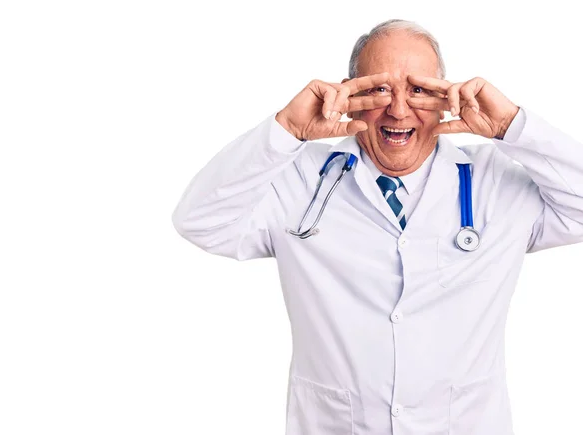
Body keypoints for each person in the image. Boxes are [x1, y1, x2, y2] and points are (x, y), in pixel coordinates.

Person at [172, 19, 583, 435]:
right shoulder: (298, 181)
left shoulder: (495, 182)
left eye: (419, 90)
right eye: (379, 89)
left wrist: (513, 126)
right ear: (348, 94)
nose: (399, 109)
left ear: (446, 97)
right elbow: (200, 221)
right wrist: (286, 130)